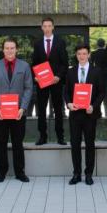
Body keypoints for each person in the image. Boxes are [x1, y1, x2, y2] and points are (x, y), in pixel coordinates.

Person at [0, 38, 33, 182]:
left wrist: (23, 108)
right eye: (7, 48)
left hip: (18, 113)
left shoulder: (24, 66)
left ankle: (20, 172)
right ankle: (1, 172)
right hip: (0, 113)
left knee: (17, 143)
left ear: (16, 49)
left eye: (12, 48)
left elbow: (28, 88)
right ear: (3, 50)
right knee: (1, 143)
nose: (9, 51)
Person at [64, 44, 106, 185]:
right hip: (75, 113)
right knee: (75, 144)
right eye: (79, 54)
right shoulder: (71, 72)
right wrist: (68, 103)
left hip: (90, 114)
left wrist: (93, 106)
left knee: (89, 144)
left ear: (89, 55)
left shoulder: (97, 71)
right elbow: (66, 92)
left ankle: (88, 174)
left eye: (84, 53)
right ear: (76, 55)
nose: (81, 56)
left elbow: (102, 92)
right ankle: (76, 174)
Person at [31, 17, 69, 145]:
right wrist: (35, 76)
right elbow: (35, 63)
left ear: (53, 27)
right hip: (42, 82)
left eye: (49, 26)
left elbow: (64, 63)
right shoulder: (37, 43)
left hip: (56, 82)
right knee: (41, 110)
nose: (47, 28)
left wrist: (58, 76)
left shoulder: (60, 42)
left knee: (58, 109)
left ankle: (60, 136)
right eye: (45, 26)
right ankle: (42, 136)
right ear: (42, 28)